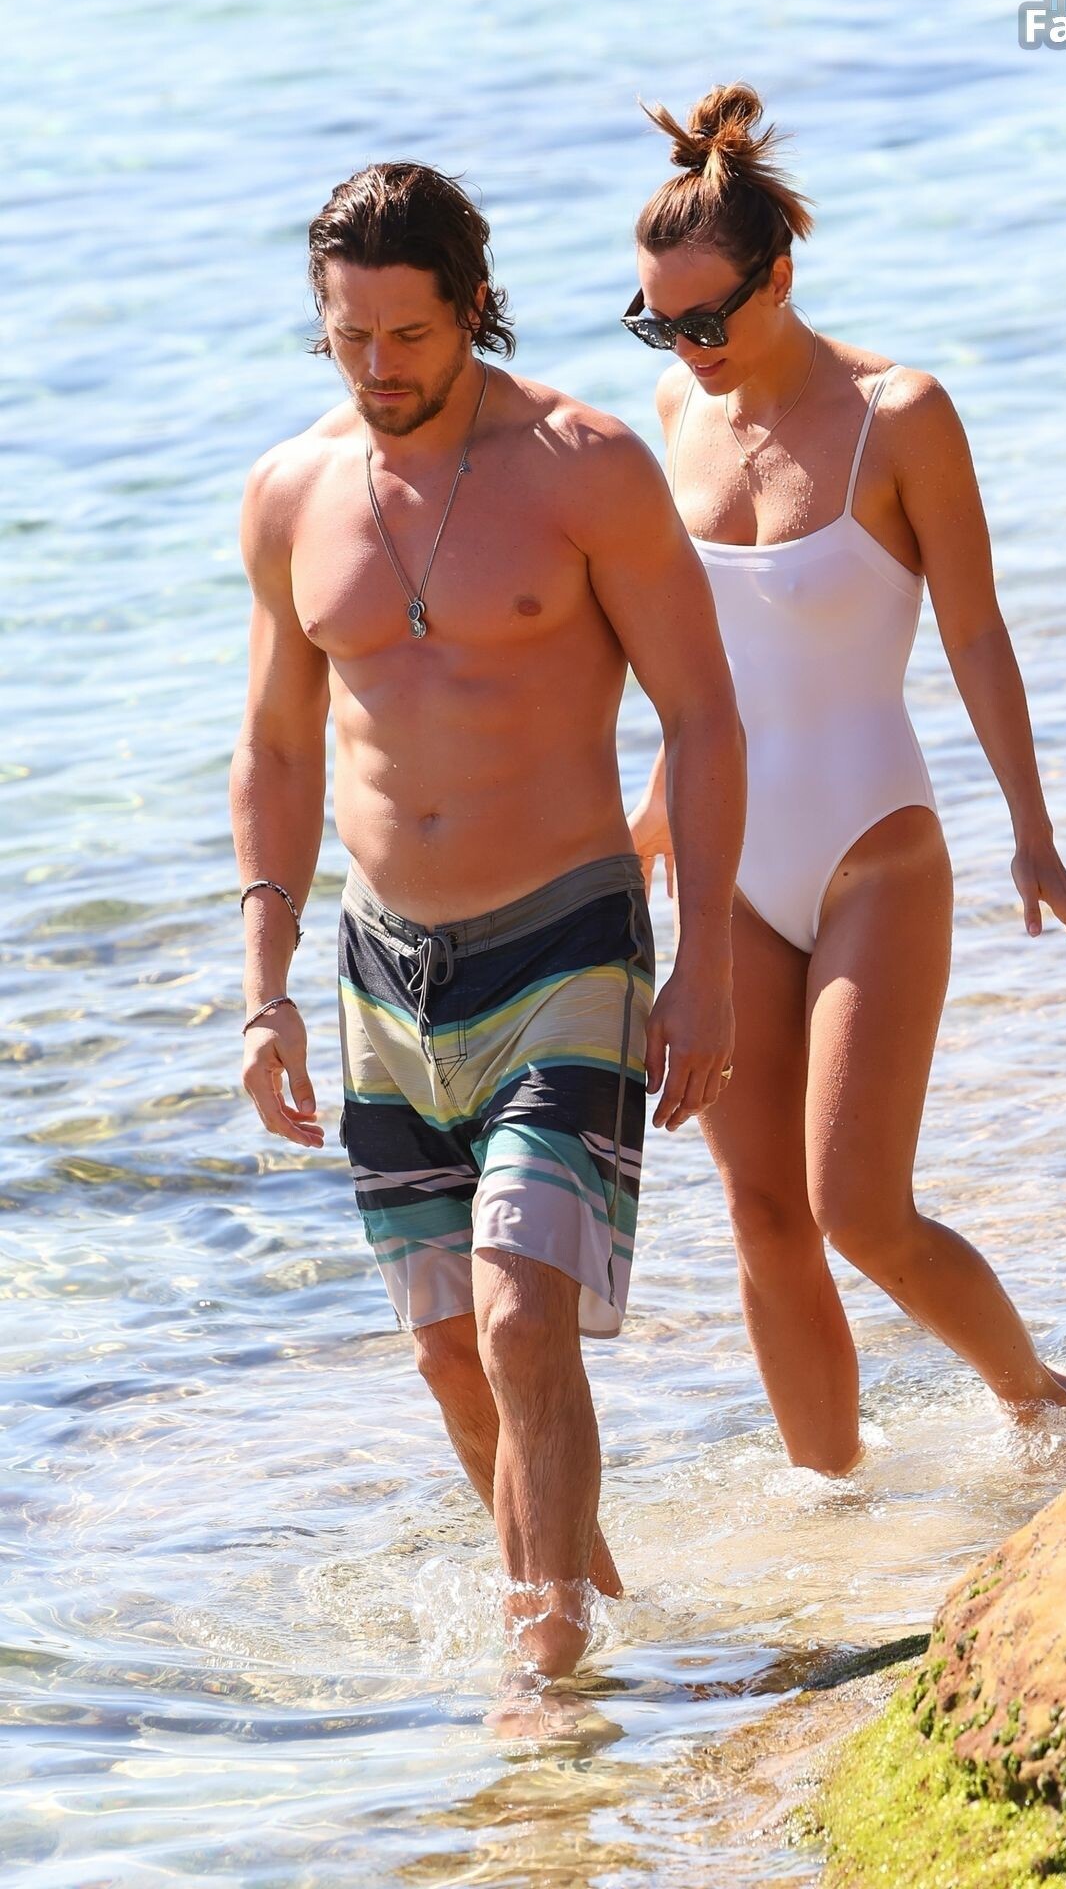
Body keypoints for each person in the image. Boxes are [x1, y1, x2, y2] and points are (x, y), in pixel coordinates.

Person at [229, 161, 745, 1683]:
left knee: (524, 1311)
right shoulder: (290, 496)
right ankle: (596, 1615)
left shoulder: (585, 466)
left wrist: (706, 958)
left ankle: (543, 1674)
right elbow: (275, 751)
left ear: (473, 308)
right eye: (351, 337)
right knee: (453, 1353)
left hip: (565, 937)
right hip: (382, 968)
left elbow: (704, 716)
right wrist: (263, 988)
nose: (379, 367)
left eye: (409, 334)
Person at [624, 85, 1066, 1472]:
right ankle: (833, 1515)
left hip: (873, 848)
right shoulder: (674, 407)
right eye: (658, 324)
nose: (686, 347)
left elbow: (976, 632)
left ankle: (1046, 1407)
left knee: (856, 1205)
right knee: (763, 1217)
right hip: (725, 865)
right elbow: (694, 664)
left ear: (781, 275)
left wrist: (1034, 834)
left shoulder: (900, 414)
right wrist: (652, 813)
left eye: (708, 319)